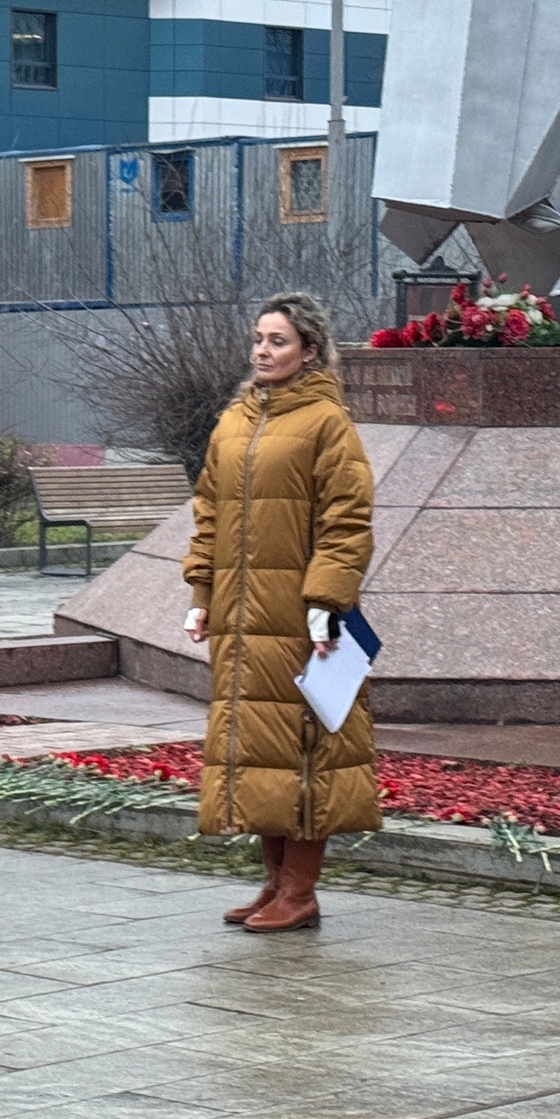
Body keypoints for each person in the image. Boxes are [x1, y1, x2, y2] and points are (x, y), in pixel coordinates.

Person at [181, 290, 379, 933]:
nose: (263, 351)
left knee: (306, 749)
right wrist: (201, 594)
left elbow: (347, 521)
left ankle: (301, 892)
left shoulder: (327, 422)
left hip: (300, 619)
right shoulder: (235, 420)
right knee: (258, 749)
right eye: (259, 339)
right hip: (242, 621)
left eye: (279, 341)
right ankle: (273, 887)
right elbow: (208, 512)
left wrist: (327, 602)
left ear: (310, 351)